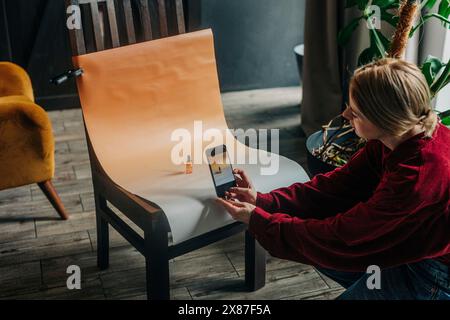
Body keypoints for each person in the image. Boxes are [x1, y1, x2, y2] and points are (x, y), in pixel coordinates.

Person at [216, 58, 450, 300]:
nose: (345, 114)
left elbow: (343, 237)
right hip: (409, 246)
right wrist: (265, 201)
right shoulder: (396, 138)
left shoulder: (415, 177)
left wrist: (259, 222)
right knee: (315, 247)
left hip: (433, 275)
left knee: (321, 247)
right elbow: (335, 187)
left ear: (385, 119)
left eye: (356, 112)